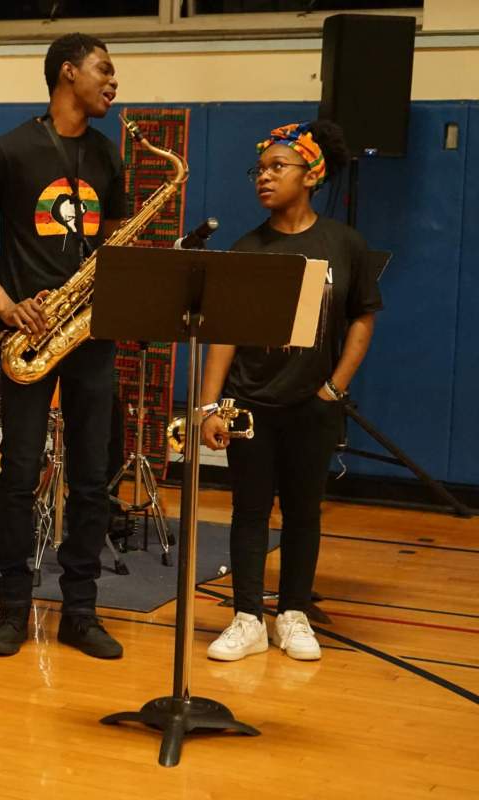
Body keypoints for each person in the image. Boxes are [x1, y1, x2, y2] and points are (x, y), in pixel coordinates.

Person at [0, 33, 128, 660]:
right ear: (68, 72)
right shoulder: (10, 150)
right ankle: (12, 608)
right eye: (104, 70)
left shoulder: (109, 156)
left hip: (88, 334)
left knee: (91, 478)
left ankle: (81, 610)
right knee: (20, 475)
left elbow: (112, 249)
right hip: (26, 335)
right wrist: (5, 306)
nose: (114, 82)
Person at [201, 119, 381, 663]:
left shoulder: (343, 244)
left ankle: (294, 614)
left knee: (304, 511)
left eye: (278, 167)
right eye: (260, 169)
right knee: (249, 511)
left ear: (312, 176)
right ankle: (247, 618)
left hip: (313, 404)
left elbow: (362, 319)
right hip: (250, 403)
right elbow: (224, 333)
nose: (264, 177)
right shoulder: (246, 247)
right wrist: (211, 405)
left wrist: (335, 385)